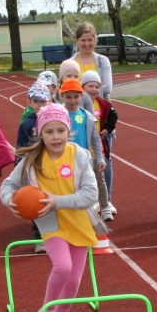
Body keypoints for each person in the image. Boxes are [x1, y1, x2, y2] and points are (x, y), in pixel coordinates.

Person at [0, 105, 102, 312]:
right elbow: (7, 186)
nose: (55, 137)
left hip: (78, 222)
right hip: (51, 224)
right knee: (63, 266)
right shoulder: (31, 160)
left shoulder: (79, 156)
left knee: (74, 281)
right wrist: (10, 201)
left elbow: (90, 194)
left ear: (69, 131)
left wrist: (58, 201)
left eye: (60, 130)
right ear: (39, 133)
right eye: (49, 132)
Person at [59, 78, 108, 215]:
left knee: (84, 189)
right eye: (68, 97)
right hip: (63, 159)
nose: (72, 100)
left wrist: (100, 158)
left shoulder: (86, 115)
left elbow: (95, 138)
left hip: (83, 160)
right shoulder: (59, 114)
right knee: (67, 188)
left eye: (76, 96)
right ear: (62, 96)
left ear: (82, 96)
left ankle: (88, 214)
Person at [16, 82, 50, 251]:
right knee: (36, 202)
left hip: (51, 168)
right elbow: (20, 148)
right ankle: (39, 238)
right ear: (29, 101)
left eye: (43, 101)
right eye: (36, 101)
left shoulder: (53, 120)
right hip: (33, 169)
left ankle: (55, 235)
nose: (39, 105)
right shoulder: (26, 124)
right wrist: (21, 169)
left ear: (49, 101)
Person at [82, 70, 118, 220]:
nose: (94, 90)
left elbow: (113, 116)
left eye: (97, 86)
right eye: (90, 86)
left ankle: (105, 207)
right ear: (83, 87)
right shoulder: (78, 103)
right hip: (82, 149)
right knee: (84, 180)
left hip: (97, 147)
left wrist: (107, 129)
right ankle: (88, 207)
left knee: (100, 178)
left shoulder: (103, 104)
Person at [71, 22, 113, 98]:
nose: (87, 44)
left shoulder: (103, 61)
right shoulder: (71, 63)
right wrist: (97, 85)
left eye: (90, 40)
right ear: (77, 40)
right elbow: (69, 89)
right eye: (83, 40)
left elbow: (107, 88)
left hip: (99, 108)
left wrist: (79, 85)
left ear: (95, 40)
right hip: (78, 108)